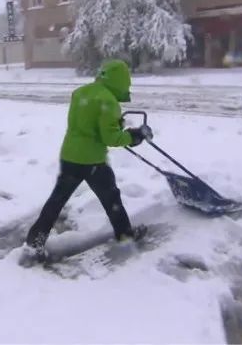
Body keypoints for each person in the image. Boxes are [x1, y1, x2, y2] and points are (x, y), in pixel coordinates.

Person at [23, 59, 153, 262]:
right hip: (92, 161)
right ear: (121, 81)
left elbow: (87, 123)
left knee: (57, 201)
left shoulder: (81, 92)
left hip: (70, 156)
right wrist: (135, 136)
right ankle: (125, 235)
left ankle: (34, 241)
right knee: (111, 199)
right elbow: (111, 138)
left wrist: (115, 125)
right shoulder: (108, 100)